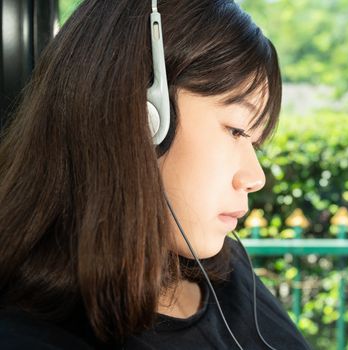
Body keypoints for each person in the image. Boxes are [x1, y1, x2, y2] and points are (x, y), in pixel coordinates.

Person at [0, 0, 312, 349]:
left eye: (256, 143)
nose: (255, 177)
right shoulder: (30, 334)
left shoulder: (227, 270)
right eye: (237, 130)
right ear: (146, 118)